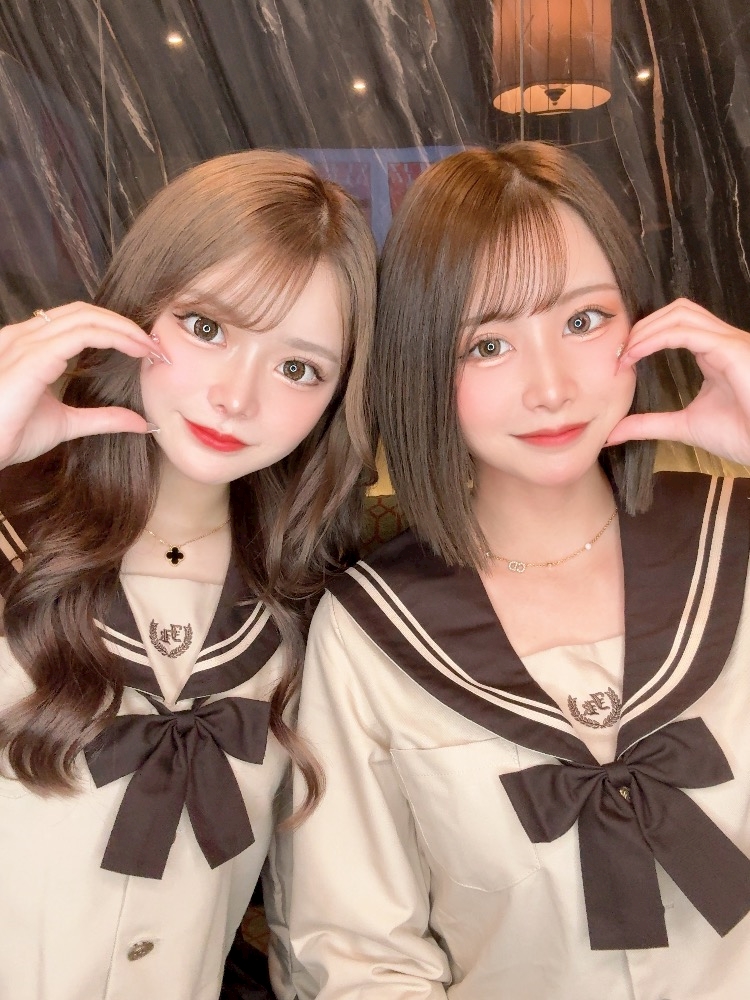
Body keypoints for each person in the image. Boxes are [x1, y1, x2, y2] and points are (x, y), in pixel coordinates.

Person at [287, 140, 750, 999]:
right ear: (421, 365)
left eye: (583, 321)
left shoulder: (737, 543)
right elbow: (358, 958)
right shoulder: (373, 631)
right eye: (488, 344)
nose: (551, 388)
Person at [0, 148, 376, 1000]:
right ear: (135, 308)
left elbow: (328, 917)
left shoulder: (315, 609)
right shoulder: (11, 541)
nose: (236, 398)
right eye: (207, 328)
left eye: (298, 367)